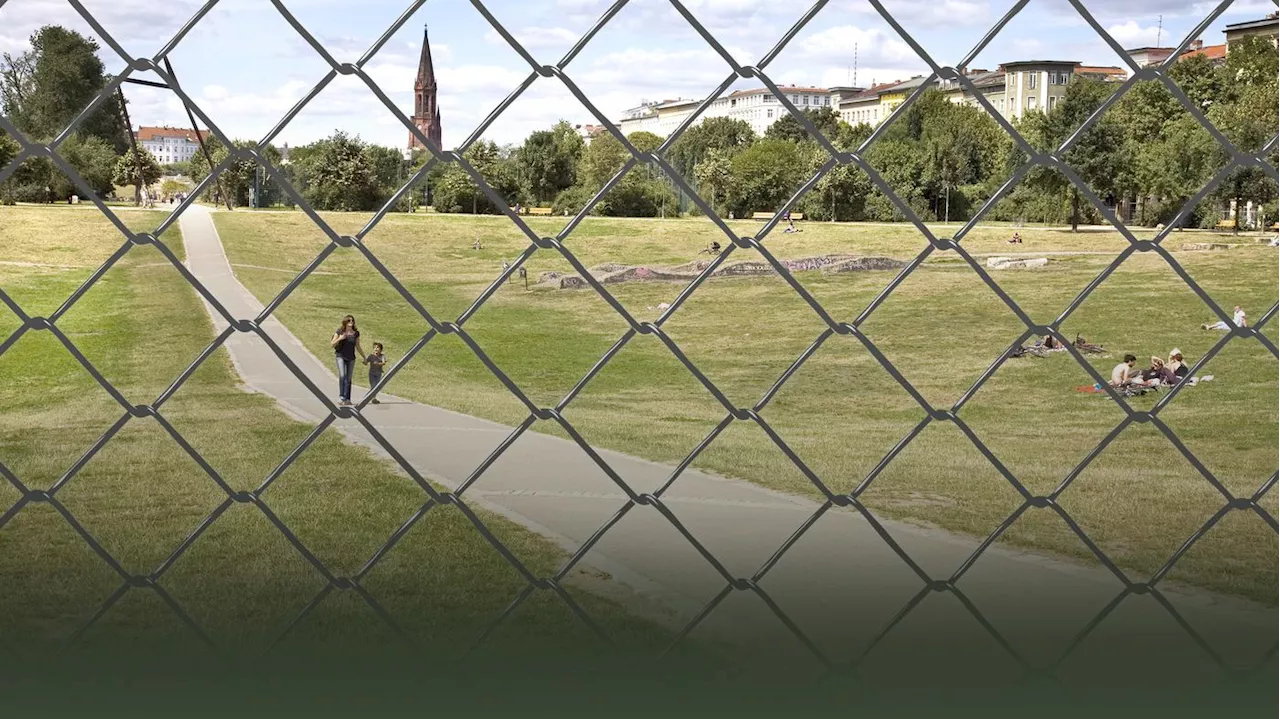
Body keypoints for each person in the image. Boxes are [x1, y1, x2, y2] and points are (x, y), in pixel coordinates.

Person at [330, 315, 367, 407]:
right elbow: (332, 344)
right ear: (345, 322)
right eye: (349, 320)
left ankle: (348, 398)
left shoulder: (356, 333)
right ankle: (341, 396)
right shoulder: (340, 331)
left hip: (351, 358)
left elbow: (358, 346)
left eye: (352, 320)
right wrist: (340, 338)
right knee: (342, 375)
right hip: (340, 356)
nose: (351, 322)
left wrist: (364, 357)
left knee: (349, 378)